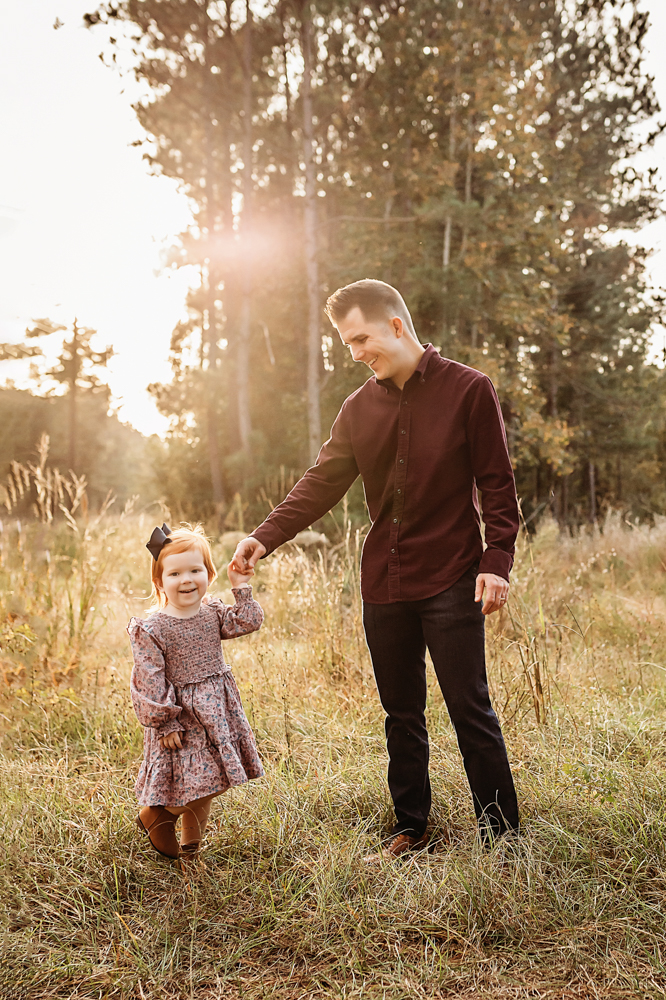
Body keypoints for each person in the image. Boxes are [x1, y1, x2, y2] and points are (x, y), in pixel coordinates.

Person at [232, 278, 520, 861]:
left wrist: (497, 561)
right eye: (347, 343)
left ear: (395, 326)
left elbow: (497, 483)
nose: (356, 353)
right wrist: (265, 537)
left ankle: (503, 837)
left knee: (470, 708)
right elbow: (322, 481)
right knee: (400, 712)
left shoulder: (470, 390)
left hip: (452, 577)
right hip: (382, 583)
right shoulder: (359, 407)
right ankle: (413, 827)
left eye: (360, 338)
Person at [128, 522, 264, 861]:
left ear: (210, 573)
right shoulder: (153, 627)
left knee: (212, 784)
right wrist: (165, 723)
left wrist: (241, 586)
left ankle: (191, 850)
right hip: (182, 718)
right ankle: (158, 816)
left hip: (216, 712)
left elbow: (246, 621)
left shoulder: (212, 612)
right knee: (196, 784)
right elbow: (149, 679)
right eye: (174, 574)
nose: (186, 580)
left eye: (194, 570)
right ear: (159, 582)